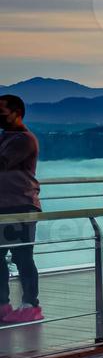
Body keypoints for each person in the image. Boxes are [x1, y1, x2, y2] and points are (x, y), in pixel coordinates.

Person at [0, 94, 42, 324]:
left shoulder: (24, 140)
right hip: (4, 206)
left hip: (21, 206)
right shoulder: (5, 137)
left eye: (2, 111)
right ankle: (3, 304)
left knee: (22, 256)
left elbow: (2, 163)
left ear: (17, 113)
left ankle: (30, 304)